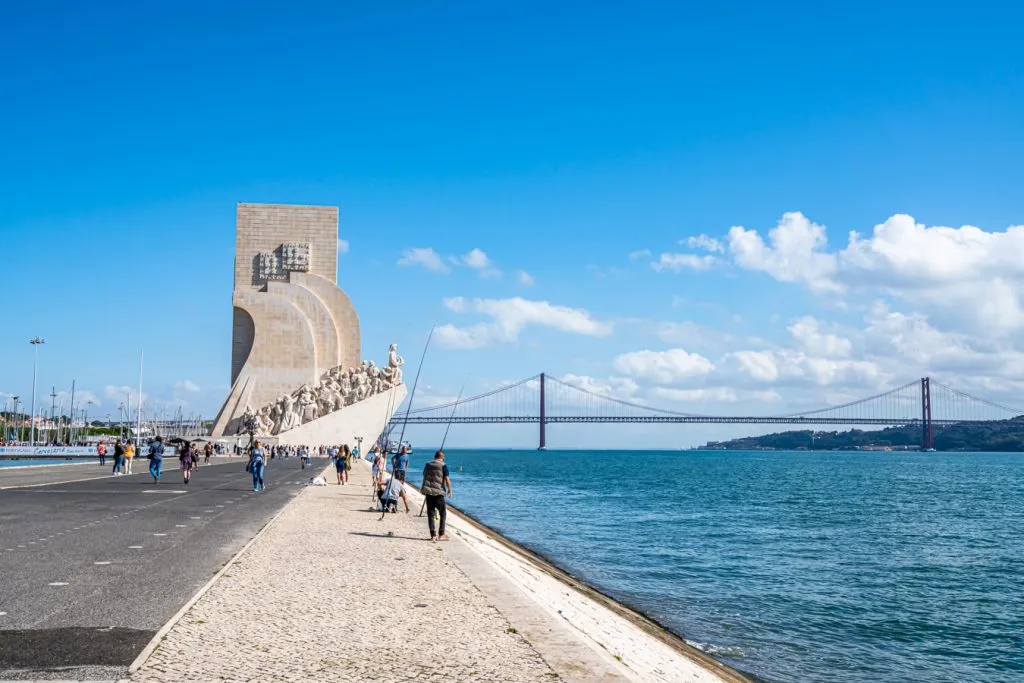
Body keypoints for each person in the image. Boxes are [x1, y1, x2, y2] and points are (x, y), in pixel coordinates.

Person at [421, 450, 453, 541]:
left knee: (430, 514)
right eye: (444, 457)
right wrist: (450, 490)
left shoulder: (427, 464)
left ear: (435, 457)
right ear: (442, 457)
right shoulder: (443, 465)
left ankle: (433, 535)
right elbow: (446, 479)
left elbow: (424, 475)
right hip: (439, 493)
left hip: (428, 492)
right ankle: (441, 533)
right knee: (443, 513)